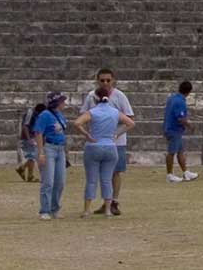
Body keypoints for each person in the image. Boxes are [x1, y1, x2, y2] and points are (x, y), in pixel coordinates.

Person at [80, 67, 135, 215]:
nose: (105, 83)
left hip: (116, 141)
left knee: (115, 172)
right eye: (102, 80)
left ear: (113, 80)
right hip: (98, 140)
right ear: (97, 81)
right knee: (98, 175)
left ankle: (113, 202)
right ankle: (105, 204)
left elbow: (130, 118)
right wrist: (89, 133)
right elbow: (83, 116)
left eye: (108, 80)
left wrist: (115, 132)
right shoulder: (91, 96)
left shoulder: (120, 96)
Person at [33, 93, 67, 220]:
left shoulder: (59, 115)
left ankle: (55, 208)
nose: (64, 103)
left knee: (60, 181)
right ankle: (45, 209)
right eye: (62, 101)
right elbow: (38, 132)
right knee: (48, 181)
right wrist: (41, 152)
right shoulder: (45, 115)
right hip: (49, 148)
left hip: (60, 148)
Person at [163, 80, 197, 184]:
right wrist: (190, 126)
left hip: (172, 128)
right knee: (171, 152)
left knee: (180, 151)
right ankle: (169, 175)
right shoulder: (180, 101)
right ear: (188, 92)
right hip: (174, 130)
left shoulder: (172, 98)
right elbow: (180, 118)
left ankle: (185, 172)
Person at [16, 101, 44, 183]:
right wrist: (28, 139)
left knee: (32, 157)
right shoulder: (30, 113)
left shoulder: (35, 114)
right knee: (31, 157)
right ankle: (27, 174)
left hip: (32, 137)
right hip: (28, 138)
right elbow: (25, 126)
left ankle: (23, 170)